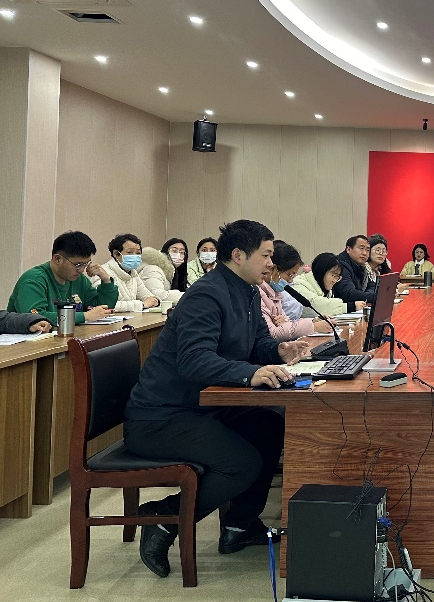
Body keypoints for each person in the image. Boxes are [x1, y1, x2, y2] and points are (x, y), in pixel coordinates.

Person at [123, 220, 312, 577]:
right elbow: (194, 360)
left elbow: (258, 344)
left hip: (204, 407)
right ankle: (165, 517)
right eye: (265, 255)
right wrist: (249, 373)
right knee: (241, 463)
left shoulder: (249, 291)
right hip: (162, 417)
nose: (271, 263)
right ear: (238, 255)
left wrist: (278, 351)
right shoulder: (206, 295)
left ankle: (240, 525)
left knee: (269, 426)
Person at [7, 231, 117, 324]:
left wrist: (106, 281)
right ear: (57, 259)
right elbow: (35, 317)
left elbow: (101, 309)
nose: (81, 270)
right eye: (78, 264)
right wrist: (84, 316)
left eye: (86, 264)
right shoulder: (34, 280)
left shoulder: (78, 279)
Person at [258, 241, 333, 342]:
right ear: (273, 269)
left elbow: (287, 322)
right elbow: (275, 334)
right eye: (289, 275)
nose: (290, 281)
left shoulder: (275, 293)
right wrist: (314, 327)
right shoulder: (258, 293)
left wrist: (313, 321)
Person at [94, 234, 161, 312]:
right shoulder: (102, 274)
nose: (135, 256)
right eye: (130, 252)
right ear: (115, 253)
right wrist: (141, 305)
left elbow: (147, 297)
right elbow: (104, 305)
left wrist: (156, 301)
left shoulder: (133, 273)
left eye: (138, 253)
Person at [293, 253, 350, 318]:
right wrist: (349, 307)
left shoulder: (325, 288)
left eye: (337, 277)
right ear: (321, 272)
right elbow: (315, 307)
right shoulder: (298, 284)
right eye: (333, 275)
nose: (335, 280)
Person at [333, 235, 375, 311]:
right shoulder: (340, 266)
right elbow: (350, 294)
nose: (365, 253)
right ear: (348, 249)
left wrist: (369, 295)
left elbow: (371, 285)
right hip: (341, 311)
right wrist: (375, 296)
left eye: (367, 250)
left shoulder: (363, 266)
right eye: (361, 248)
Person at [140, 239, 187, 305]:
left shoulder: (174, 273)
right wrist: (189, 296)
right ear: (165, 251)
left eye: (182, 252)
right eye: (174, 251)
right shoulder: (153, 269)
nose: (178, 254)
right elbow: (156, 295)